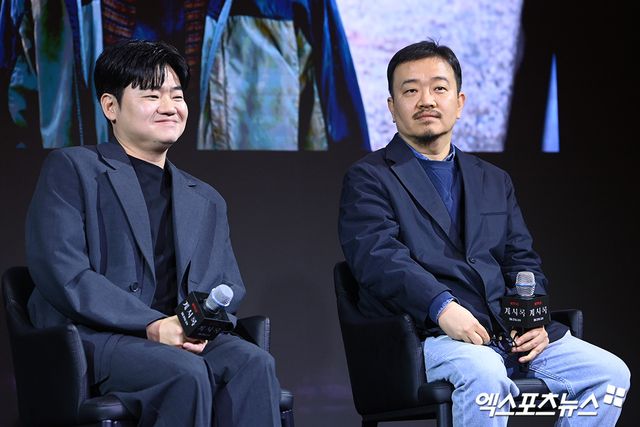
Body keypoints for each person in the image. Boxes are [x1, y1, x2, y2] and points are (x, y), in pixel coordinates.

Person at [338, 39, 630, 426]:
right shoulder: (369, 177)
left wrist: (532, 318)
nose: (426, 100)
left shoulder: (493, 179)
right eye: (410, 91)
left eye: (439, 88)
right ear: (392, 108)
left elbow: (521, 259)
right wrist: (441, 307)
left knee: (609, 374)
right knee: (485, 373)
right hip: (427, 336)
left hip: (505, 332)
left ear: (459, 102)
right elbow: (378, 259)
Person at [25, 39, 281, 426]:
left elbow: (226, 283)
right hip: (95, 339)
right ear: (110, 107)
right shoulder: (73, 169)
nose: (169, 106)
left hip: (178, 337)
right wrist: (152, 324)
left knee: (254, 363)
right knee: (184, 372)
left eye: (176, 95)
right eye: (151, 95)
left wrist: (197, 324)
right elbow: (65, 273)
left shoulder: (206, 198)